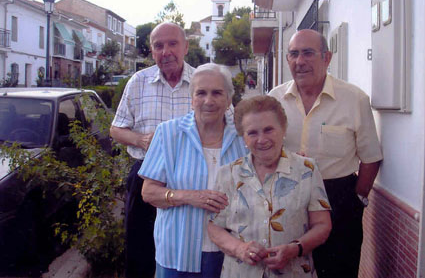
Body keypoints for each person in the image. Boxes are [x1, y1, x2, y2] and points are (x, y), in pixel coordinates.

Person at [268, 29, 383, 278]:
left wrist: (357, 200)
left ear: (327, 57)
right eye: (294, 54)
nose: (300, 61)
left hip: (339, 200)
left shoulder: (354, 99)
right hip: (286, 198)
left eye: (308, 53)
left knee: (338, 270)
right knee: (288, 270)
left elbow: (371, 156)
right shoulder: (274, 100)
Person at [139, 63, 248, 278]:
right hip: (178, 252)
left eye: (217, 93)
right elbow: (148, 192)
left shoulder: (244, 137)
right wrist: (189, 196)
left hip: (233, 251)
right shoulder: (168, 133)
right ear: (191, 99)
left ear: (228, 99)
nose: (208, 101)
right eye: (201, 93)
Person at [207, 95, 332, 278]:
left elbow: (322, 225)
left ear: (283, 130)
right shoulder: (228, 174)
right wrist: (240, 249)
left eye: (268, 130)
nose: (261, 139)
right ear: (243, 138)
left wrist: (295, 249)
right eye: (252, 133)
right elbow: (214, 227)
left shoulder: (307, 170)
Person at [110, 22, 193, 278]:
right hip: (145, 174)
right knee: (140, 250)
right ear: (151, 51)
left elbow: (230, 127)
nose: (166, 51)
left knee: (188, 250)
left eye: (172, 44)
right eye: (159, 46)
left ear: (186, 47)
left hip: (190, 179)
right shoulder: (139, 81)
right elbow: (116, 129)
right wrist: (141, 140)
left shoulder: (203, 81)